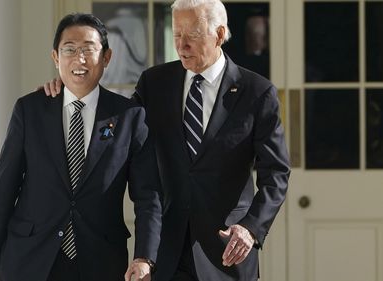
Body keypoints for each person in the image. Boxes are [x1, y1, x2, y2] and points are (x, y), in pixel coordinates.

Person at [44, 0, 290, 280]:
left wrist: (251, 227)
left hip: (226, 250)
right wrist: (71, 90)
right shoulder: (155, 83)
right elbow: (116, 121)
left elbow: (277, 173)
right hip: (166, 249)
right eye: (177, 34)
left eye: (193, 34)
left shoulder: (256, 92)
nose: (181, 45)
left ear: (220, 35)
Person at [0, 13, 162, 281]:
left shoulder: (130, 116)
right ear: (55, 57)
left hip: (101, 261)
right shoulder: (29, 110)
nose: (80, 59)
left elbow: (148, 197)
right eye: (70, 49)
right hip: (30, 259)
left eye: (89, 49)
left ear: (106, 57)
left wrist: (144, 258)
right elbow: (4, 189)